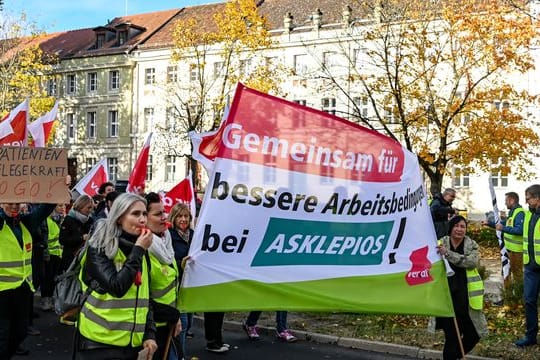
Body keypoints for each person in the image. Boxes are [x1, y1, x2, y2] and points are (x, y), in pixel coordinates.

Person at [76, 193, 157, 359]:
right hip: (99, 342)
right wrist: (139, 250)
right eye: (135, 214)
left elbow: (145, 297)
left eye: (144, 214)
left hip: (131, 344)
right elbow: (117, 287)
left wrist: (149, 334)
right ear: (119, 218)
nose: (142, 219)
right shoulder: (99, 247)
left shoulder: (139, 249)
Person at [0, 201, 57, 358]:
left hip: (22, 288)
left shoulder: (25, 223)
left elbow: (46, 206)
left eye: (17, 203)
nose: (14, 207)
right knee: (2, 335)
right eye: (10, 203)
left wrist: (61, 184)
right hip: (2, 290)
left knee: (21, 331)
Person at [436, 215, 487, 359]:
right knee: (452, 337)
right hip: (446, 297)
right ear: (451, 228)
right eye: (456, 226)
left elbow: (471, 262)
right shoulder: (440, 243)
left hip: (466, 298)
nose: (459, 229)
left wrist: (448, 254)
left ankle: (453, 356)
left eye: (462, 226)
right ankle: (451, 356)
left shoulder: (472, 244)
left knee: (474, 334)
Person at [145, 193, 181, 360]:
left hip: (169, 323)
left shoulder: (166, 242)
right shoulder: (142, 249)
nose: (164, 217)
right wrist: (172, 315)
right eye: (158, 214)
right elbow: (141, 298)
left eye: (164, 212)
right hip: (150, 330)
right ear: (144, 218)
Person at [515, 184, 540, 347]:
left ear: (538, 198)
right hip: (530, 267)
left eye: (529, 198)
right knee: (529, 301)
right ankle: (531, 337)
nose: (526, 201)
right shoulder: (528, 215)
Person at [481, 191, 524, 287]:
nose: (505, 203)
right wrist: (489, 223)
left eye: (506, 200)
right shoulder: (513, 213)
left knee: (517, 276)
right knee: (505, 273)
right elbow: (503, 224)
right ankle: (507, 296)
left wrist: (503, 228)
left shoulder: (519, 213)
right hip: (508, 250)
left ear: (512, 200)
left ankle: (518, 298)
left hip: (516, 252)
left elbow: (520, 230)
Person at [168, 203, 195, 356]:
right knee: (182, 324)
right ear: (174, 217)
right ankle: (181, 355)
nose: (183, 219)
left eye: (186, 216)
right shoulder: (169, 236)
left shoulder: (194, 235)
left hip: (190, 287)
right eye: (180, 216)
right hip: (175, 287)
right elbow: (166, 261)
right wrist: (181, 264)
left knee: (189, 323)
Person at [39, 204, 66, 311]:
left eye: (63, 206)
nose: (62, 208)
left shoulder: (61, 220)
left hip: (59, 253)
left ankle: (50, 298)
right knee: (47, 278)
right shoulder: (47, 220)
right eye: (59, 206)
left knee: (54, 278)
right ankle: (45, 300)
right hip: (49, 254)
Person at [59, 195, 94, 271]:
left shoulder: (90, 221)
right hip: (70, 258)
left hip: (84, 258)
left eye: (92, 208)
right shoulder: (69, 220)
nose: (90, 210)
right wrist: (81, 238)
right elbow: (62, 240)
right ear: (81, 206)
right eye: (88, 207)